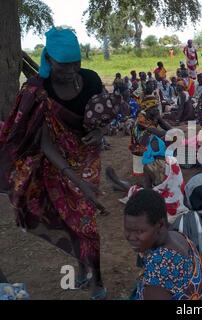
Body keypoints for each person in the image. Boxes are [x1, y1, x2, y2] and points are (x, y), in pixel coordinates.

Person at [0, 27, 109, 299]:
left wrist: (99, 133)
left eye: (76, 62)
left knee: (87, 224)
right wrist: (77, 181)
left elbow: (102, 117)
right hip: (55, 164)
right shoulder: (39, 91)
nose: (72, 69)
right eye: (64, 64)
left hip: (86, 159)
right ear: (49, 60)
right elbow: (46, 143)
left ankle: (96, 279)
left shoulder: (92, 80)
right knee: (72, 222)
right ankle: (82, 270)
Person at [124, 189, 202, 300]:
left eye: (139, 232)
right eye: (127, 229)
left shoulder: (160, 270)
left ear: (160, 225)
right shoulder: (179, 236)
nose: (131, 237)